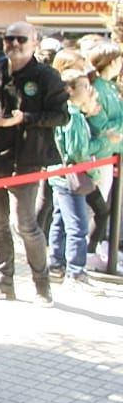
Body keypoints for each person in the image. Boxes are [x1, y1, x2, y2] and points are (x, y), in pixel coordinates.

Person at [0, 21, 68, 306]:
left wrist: (25, 118)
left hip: (27, 159)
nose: (14, 44)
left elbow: (61, 116)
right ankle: (3, 282)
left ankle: (42, 286)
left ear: (34, 42)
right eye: (9, 38)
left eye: (20, 39)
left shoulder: (46, 76)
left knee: (25, 224)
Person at [47, 67, 99, 290]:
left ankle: (55, 264)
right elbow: (79, 151)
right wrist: (94, 166)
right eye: (84, 86)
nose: (88, 91)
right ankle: (76, 271)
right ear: (69, 89)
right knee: (78, 226)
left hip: (58, 174)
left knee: (59, 220)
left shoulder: (61, 112)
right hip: (72, 176)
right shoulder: (74, 117)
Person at [81, 42, 123, 263]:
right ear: (113, 62)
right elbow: (100, 124)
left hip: (112, 153)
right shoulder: (97, 88)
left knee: (106, 204)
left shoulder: (112, 87)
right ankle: (89, 251)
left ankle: (97, 248)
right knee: (101, 206)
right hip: (101, 155)